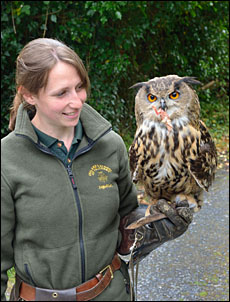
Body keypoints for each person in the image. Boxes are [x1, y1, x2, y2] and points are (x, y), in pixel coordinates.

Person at [1, 38, 193, 301]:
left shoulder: (109, 145)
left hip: (112, 293)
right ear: (29, 94)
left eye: (80, 87)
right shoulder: (7, 159)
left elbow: (126, 219)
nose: (77, 101)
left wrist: (158, 223)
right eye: (61, 93)